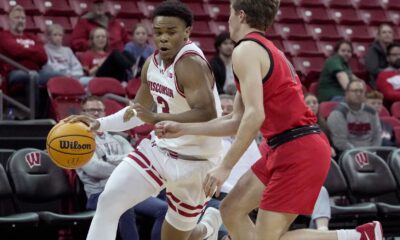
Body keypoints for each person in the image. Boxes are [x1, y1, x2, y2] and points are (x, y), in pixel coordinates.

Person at [155, 1, 383, 240]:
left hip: (299, 147)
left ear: (241, 15)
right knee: (231, 210)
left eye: (230, 14)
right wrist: (183, 128)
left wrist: (225, 166)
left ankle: (358, 236)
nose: (227, 20)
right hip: (281, 146)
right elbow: (236, 121)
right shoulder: (260, 49)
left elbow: (255, 116)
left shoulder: (246, 50)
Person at [66, 1, 223, 240]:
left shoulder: (191, 63)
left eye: (171, 32)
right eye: (158, 32)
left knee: (180, 236)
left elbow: (207, 113)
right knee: (109, 202)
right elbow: (137, 112)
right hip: (159, 151)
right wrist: (100, 124)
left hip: (196, 161)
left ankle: (207, 227)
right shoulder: (151, 63)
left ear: (187, 32)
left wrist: (156, 117)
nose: (163, 39)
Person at [76, 96, 168, 240]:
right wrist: (125, 165)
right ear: (82, 112)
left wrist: (108, 159)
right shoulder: (79, 141)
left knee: (166, 201)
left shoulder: (118, 138)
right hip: (98, 193)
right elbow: (95, 169)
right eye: (91, 110)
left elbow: (134, 158)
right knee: (123, 205)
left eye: (99, 110)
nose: (96, 114)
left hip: (127, 189)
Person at [0, 5, 60, 118]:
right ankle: (35, 116)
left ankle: (54, 115)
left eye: (22, 18)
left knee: (58, 76)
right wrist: (32, 52)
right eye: (17, 18)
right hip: (14, 72)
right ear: (9, 19)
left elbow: (43, 57)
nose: (20, 21)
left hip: (37, 71)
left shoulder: (32, 37)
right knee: (32, 77)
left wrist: (24, 51)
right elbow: (14, 51)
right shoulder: (4, 36)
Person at [327, 80, 382, 153]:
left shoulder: (372, 112)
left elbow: (377, 136)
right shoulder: (338, 113)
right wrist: (359, 153)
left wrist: (371, 152)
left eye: (361, 91)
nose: (358, 94)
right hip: (348, 155)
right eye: (355, 91)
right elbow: (340, 142)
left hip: (371, 153)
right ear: (346, 93)